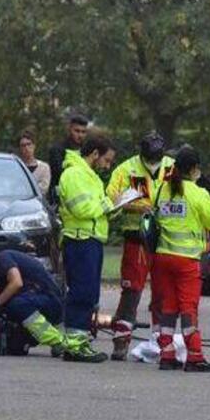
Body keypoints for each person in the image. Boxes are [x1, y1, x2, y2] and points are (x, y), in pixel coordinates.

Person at [151, 146, 210, 372]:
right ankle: (194, 355)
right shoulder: (197, 192)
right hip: (187, 259)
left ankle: (167, 353)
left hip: (163, 256)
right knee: (188, 308)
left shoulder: (163, 189)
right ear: (193, 169)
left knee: (168, 307)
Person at [106, 132, 173, 360]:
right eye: (149, 159)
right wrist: (135, 206)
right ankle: (121, 339)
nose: (153, 164)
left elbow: (185, 194)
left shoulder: (171, 167)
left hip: (165, 237)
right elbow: (111, 198)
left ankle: (163, 341)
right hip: (136, 236)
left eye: (156, 159)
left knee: (163, 290)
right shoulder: (127, 169)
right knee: (132, 288)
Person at [58, 134, 119, 363]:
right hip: (80, 240)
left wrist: (116, 205)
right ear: (94, 153)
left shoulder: (88, 175)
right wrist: (107, 203)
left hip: (90, 239)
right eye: (107, 159)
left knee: (89, 293)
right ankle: (75, 346)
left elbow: (95, 209)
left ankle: (79, 342)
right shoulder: (74, 174)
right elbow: (83, 209)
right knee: (82, 293)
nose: (107, 164)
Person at [0, 250, 65, 353]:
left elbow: (16, 283)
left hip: (50, 299)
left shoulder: (2, 259)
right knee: (14, 347)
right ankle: (33, 339)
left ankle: (56, 340)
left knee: (15, 305)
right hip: (35, 303)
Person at [48, 112, 89, 205]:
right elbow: (59, 175)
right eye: (77, 131)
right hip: (62, 198)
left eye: (83, 132)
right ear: (70, 129)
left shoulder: (87, 151)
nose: (80, 135)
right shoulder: (57, 150)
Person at [17, 131, 52, 196]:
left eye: (29, 144)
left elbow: (43, 189)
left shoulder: (44, 167)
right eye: (23, 145)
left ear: (34, 145)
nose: (26, 148)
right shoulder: (16, 167)